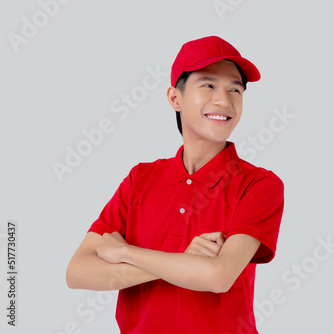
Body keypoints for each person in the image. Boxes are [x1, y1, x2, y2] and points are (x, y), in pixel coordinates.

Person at [66, 35, 285, 334]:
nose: (224, 99)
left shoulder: (260, 185)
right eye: (208, 85)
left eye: (235, 89)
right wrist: (183, 262)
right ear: (175, 98)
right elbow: (77, 273)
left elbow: (218, 277)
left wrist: (126, 253)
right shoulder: (140, 179)